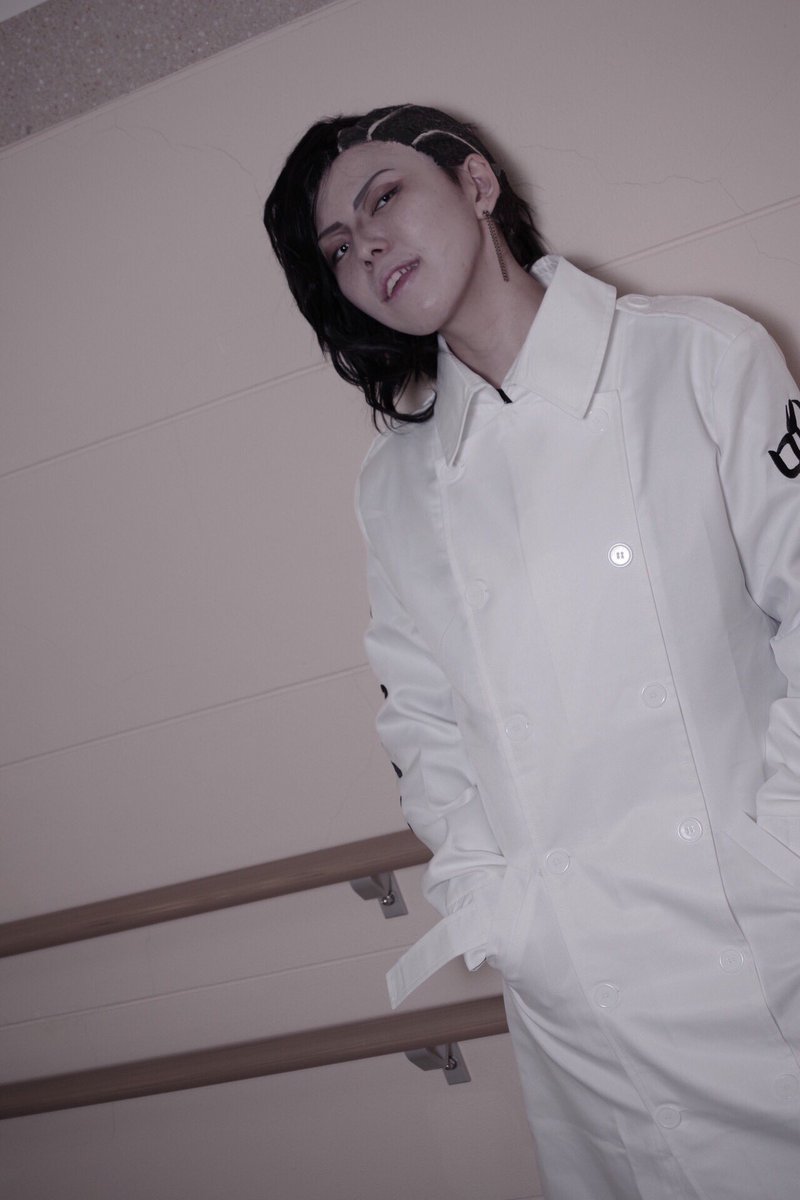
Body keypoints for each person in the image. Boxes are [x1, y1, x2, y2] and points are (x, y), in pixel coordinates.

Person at [264, 103, 800, 1200]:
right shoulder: (395, 485)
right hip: (579, 1003)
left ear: (476, 184)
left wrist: (779, 859)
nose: (366, 246)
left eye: (383, 197)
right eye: (338, 248)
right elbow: (420, 720)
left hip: (762, 947)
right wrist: (496, 905)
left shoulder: (697, 356)